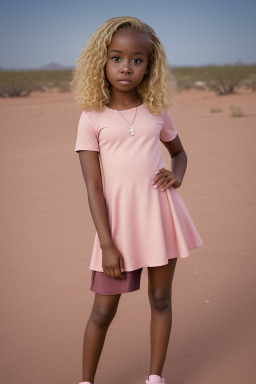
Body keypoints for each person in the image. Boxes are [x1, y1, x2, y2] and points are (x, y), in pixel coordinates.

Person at [72, 16, 203, 384]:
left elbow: (179, 154)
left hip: (161, 219)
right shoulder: (91, 117)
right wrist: (107, 243)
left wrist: (177, 174)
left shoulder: (157, 110)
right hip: (116, 230)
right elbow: (93, 187)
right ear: (102, 61)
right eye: (116, 58)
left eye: (136, 59)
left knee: (161, 301)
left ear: (150, 65)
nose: (126, 67)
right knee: (102, 311)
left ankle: (154, 378)